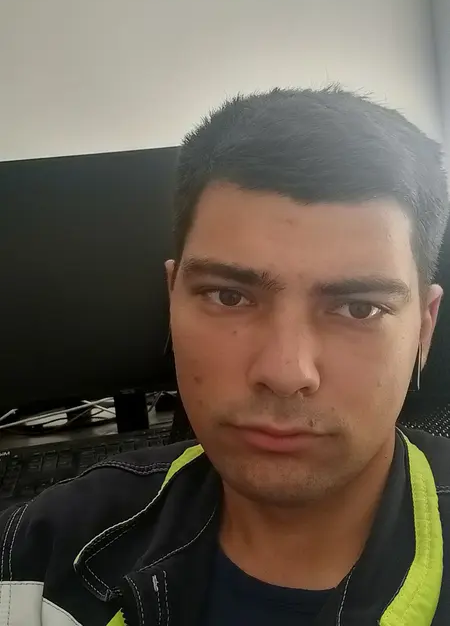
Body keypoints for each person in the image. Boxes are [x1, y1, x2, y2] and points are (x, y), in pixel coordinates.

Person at [0, 87, 449, 626]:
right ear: (172, 299)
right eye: (229, 297)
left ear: (424, 328)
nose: (285, 372)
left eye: (359, 308)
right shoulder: (41, 549)